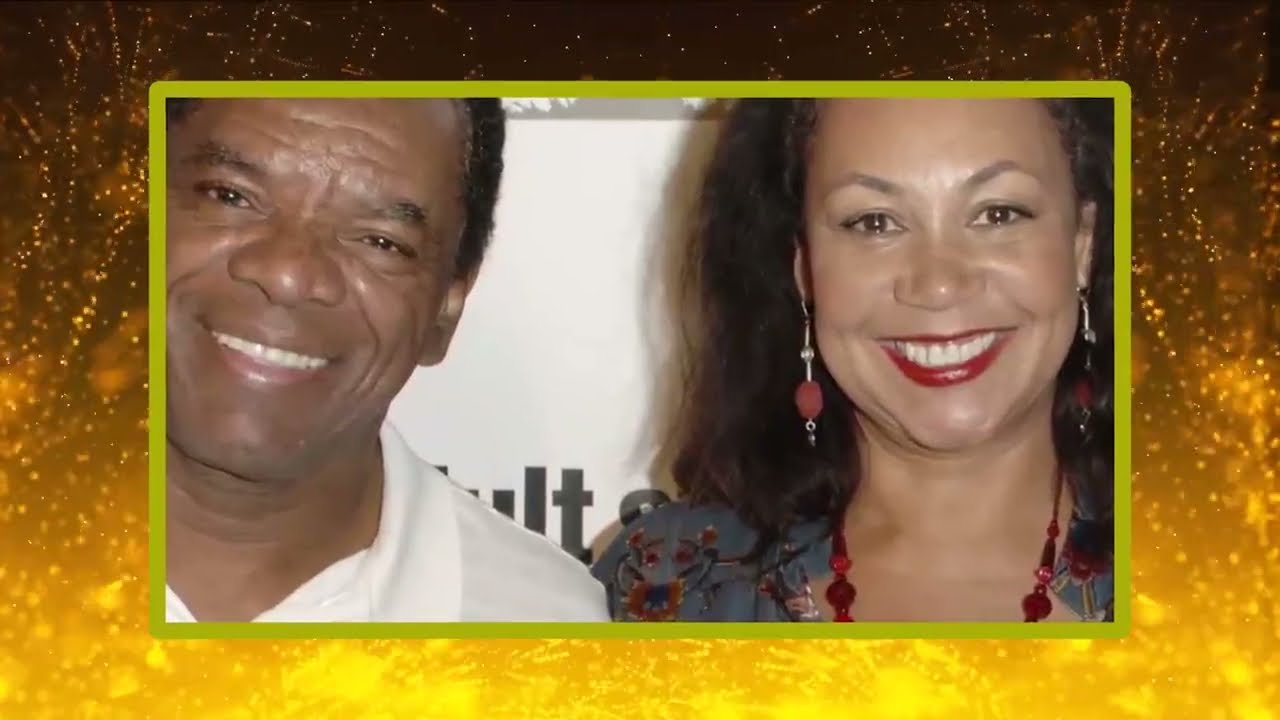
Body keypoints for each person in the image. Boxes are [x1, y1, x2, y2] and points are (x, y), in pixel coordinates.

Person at [593, 97, 1116, 622]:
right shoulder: (661, 588)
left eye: (998, 214)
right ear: (803, 266)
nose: (937, 283)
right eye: (874, 222)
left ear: (1083, 245)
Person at [164, 97, 606, 622]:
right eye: (230, 196)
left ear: (446, 310)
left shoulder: (547, 626)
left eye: (381, 242)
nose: (288, 275)